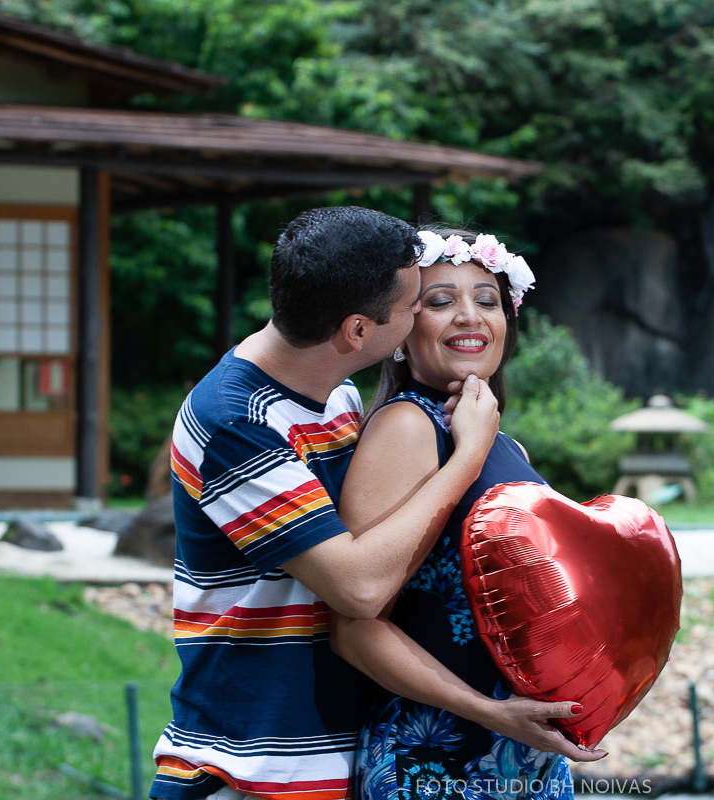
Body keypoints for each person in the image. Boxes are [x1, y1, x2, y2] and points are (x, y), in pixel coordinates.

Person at [149, 208, 584, 800]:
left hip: (328, 747)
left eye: (488, 299)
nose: (453, 316)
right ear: (359, 332)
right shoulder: (235, 422)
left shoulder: (337, 399)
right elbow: (359, 594)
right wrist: (467, 455)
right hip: (252, 763)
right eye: (419, 305)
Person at [330, 228, 605, 800]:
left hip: (526, 759)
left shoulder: (504, 443)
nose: (469, 317)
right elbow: (355, 627)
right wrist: (486, 711)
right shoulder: (408, 427)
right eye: (440, 301)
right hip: (433, 760)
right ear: (403, 330)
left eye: (487, 300)